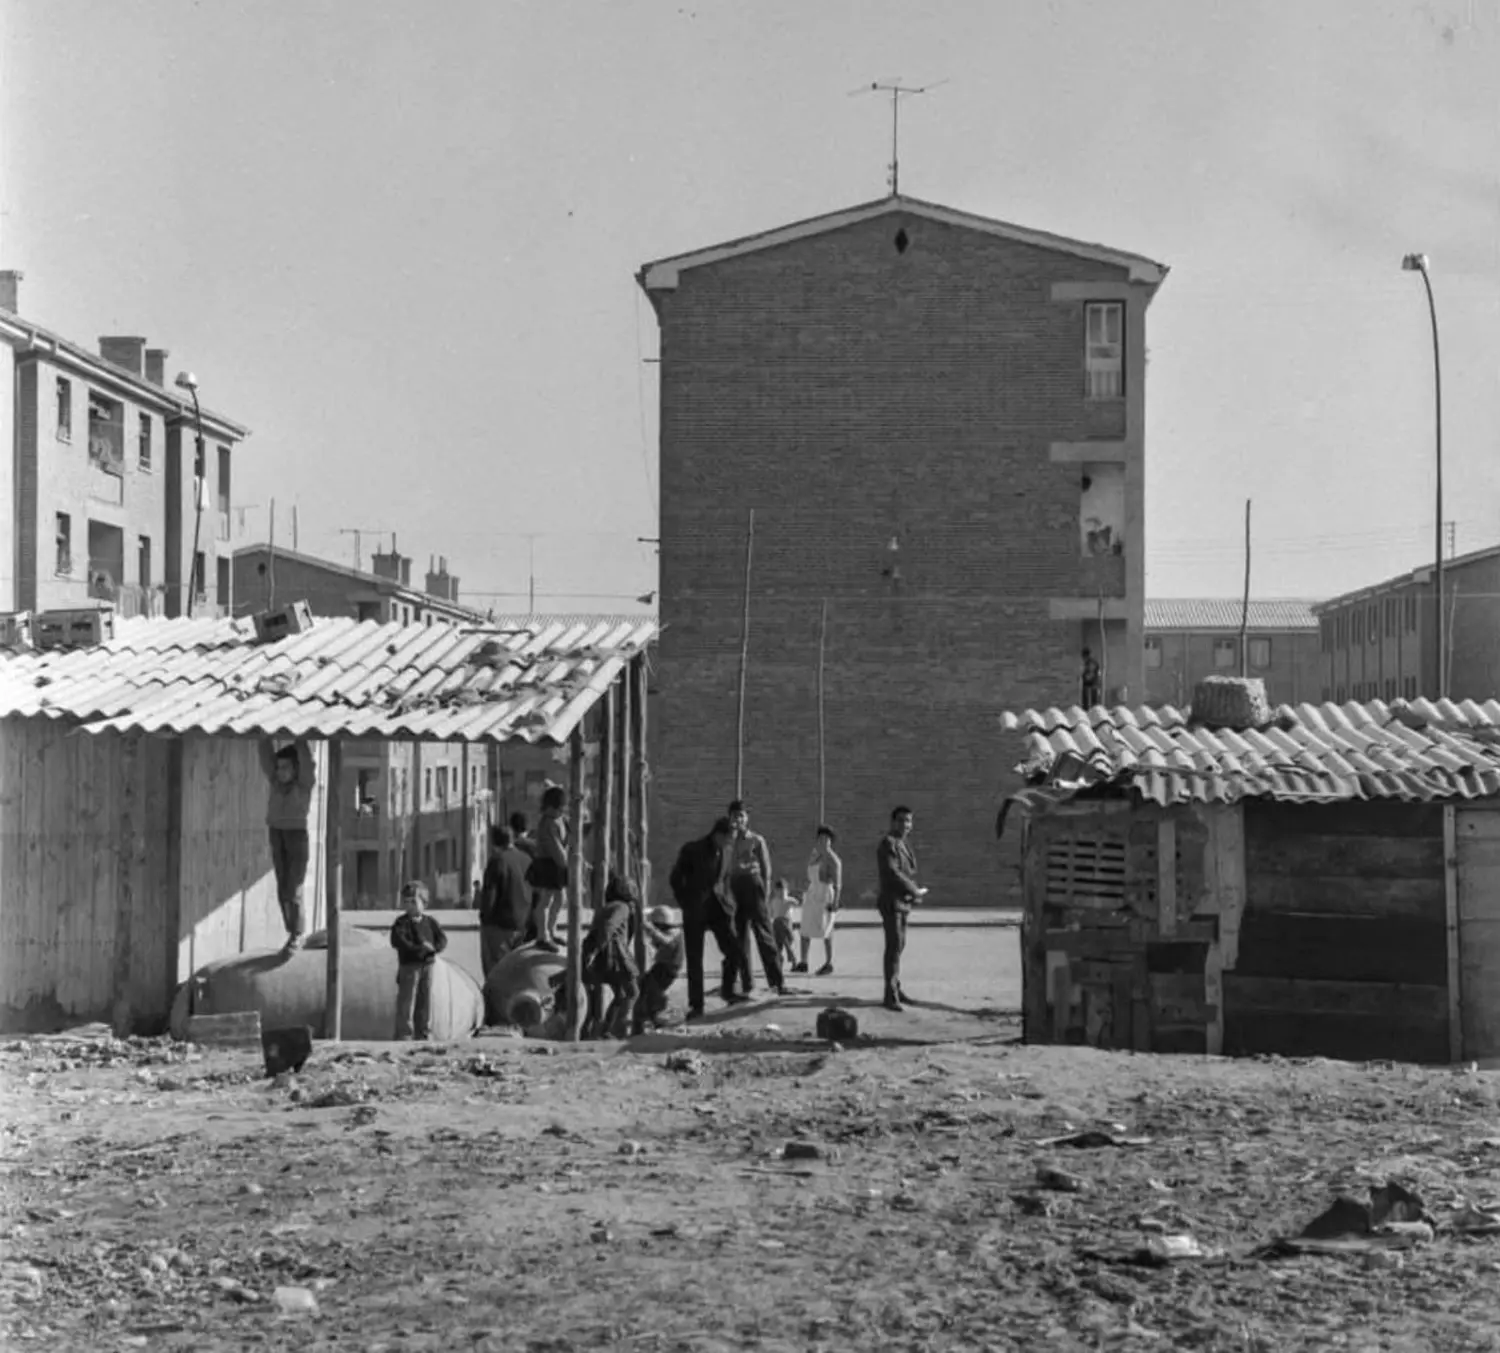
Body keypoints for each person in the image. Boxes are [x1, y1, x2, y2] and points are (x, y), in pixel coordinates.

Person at [668, 817, 747, 1018]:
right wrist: (686, 902)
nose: (732, 843)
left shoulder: (728, 851)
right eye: (730, 838)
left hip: (719, 908)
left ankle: (728, 990)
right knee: (695, 959)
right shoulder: (692, 850)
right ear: (718, 835)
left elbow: (725, 878)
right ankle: (696, 1005)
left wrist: (730, 902)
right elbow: (675, 878)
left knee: (735, 951)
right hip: (695, 909)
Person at [258, 736, 315, 953]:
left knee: (294, 888)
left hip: (296, 835)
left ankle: (298, 933)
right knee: (282, 887)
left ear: (296, 769)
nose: (280, 772)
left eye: (285, 768)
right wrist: (263, 733)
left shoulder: (303, 784)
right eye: (278, 767)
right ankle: (291, 931)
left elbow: (306, 760)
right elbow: (264, 755)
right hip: (276, 832)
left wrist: (300, 736)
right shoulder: (275, 782)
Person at [727, 800, 784, 997]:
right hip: (735, 888)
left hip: (754, 886)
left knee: (764, 935)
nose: (739, 819)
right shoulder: (727, 841)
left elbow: (766, 869)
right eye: (735, 816)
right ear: (730, 819)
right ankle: (747, 983)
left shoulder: (756, 840)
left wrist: (766, 893)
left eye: (742, 816)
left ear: (747, 818)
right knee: (740, 937)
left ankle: (777, 982)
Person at [876, 805, 927, 1012]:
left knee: (899, 945)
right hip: (892, 901)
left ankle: (896, 986)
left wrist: (914, 893)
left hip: (903, 901)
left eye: (908, 821)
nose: (906, 825)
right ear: (893, 822)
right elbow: (892, 872)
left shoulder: (903, 844)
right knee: (894, 946)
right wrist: (914, 890)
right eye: (902, 820)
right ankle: (890, 994)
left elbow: (908, 870)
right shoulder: (888, 843)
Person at [581, 874, 640, 1040]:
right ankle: (616, 1029)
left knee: (621, 994)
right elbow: (609, 927)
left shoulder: (608, 906)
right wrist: (599, 948)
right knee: (631, 992)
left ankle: (606, 1030)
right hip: (613, 954)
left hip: (605, 952)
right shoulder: (622, 907)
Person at [390, 881, 448, 1040]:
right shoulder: (401, 923)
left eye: (414, 902)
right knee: (407, 1001)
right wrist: (419, 948)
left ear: (424, 903)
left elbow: (441, 940)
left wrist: (434, 949)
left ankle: (423, 1032)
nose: (410, 906)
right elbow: (399, 941)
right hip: (409, 966)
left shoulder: (430, 923)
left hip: (428, 966)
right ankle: (404, 1034)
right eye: (406, 902)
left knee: (425, 1000)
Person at [477, 825, 532, 978]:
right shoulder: (526, 859)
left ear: (494, 843)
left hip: (499, 925)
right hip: (523, 923)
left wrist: (484, 918)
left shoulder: (497, 861)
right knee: (518, 969)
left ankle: (496, 1000)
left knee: (497, 970)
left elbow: (490, 895)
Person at [796, 824, 843, 976]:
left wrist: (835, 902)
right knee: (805, 928)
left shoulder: (834, 860)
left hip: (825, 894)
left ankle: (829, 962)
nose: (823, 842)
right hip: (812, 892)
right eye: (821, 838)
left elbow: (838, 884)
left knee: (826, 930)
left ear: (830, 841)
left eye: (827, 839)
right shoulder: (815, 855)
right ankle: (803, 962)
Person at [526, 785, 569, 950]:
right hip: (548, 864)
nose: (560, 812)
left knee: (560, 898)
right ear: (549, 807)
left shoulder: (560, 820)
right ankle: (542, 935)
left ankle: (552, 929)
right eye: (558, 809)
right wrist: (566, 865)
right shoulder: (547, 823)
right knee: (545, 900)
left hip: (558, 864)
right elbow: (555, 847)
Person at [636, 906, 685, 1027]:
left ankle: (657, 1015)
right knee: (645, 985)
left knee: (652, 989)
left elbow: (666, 942)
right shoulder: (671, 931)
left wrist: (652, 930)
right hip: (663, 965)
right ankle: (649, 1014)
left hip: (668, 968)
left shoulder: (674, 932)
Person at [768, 878, 800, 970]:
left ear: (787, 891)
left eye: (783, 891)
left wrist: (791, 901)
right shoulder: (774, 901)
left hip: (786, 924)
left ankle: (788, 957)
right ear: (775, 891)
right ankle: (785, 959)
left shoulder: (788, 900)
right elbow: (771, 913)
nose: (781, 894)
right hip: (777, 924)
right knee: (779, 945)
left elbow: (796, 902)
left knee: (785, 941)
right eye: (779, 891)